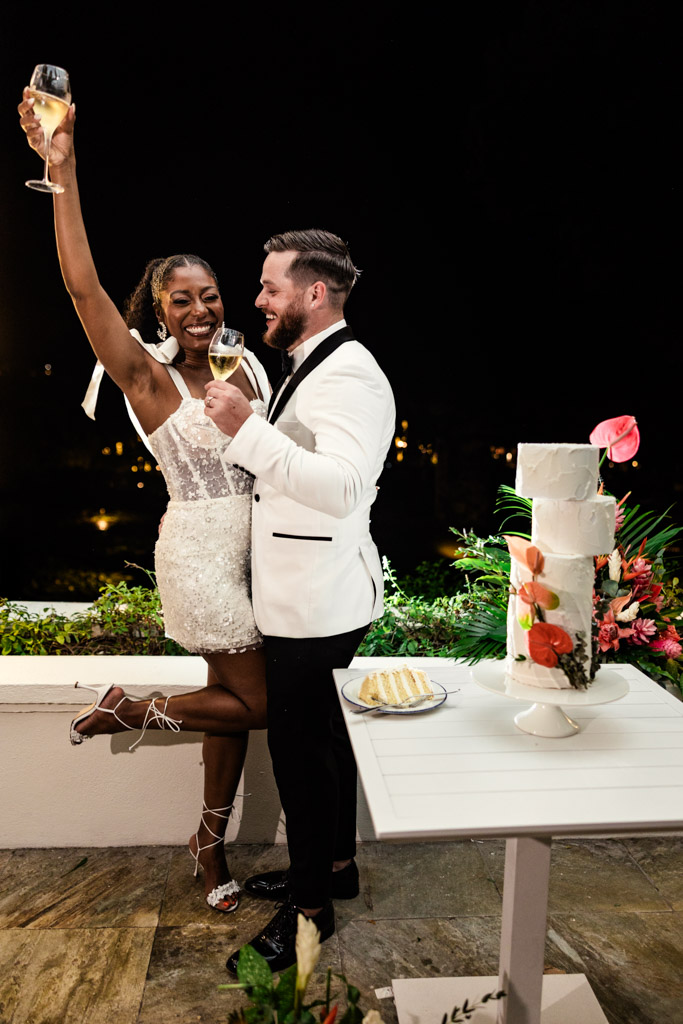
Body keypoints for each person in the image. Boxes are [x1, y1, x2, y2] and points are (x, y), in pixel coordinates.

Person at [17, 90, 269, 915]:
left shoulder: (244, 369)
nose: (200, 311)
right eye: (180, 300)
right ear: (156, 311)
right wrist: (65, 172)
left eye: (210, 295)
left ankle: (208, 844)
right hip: (200, 556)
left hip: (261, 556)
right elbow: (84, 288)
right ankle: (132, 708)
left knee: (229, 712)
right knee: (259, 703)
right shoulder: (148, 379)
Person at [204, 229, 396, 972]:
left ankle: (310, 910)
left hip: (318, 602)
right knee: (320, 745)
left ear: (315, 294)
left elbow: (343, 487)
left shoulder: (349, 373)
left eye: (270, 287)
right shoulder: (311, 362)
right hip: (306, 591)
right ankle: (336, 869)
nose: (256, 299)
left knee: (301, 755)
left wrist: (245, 430)